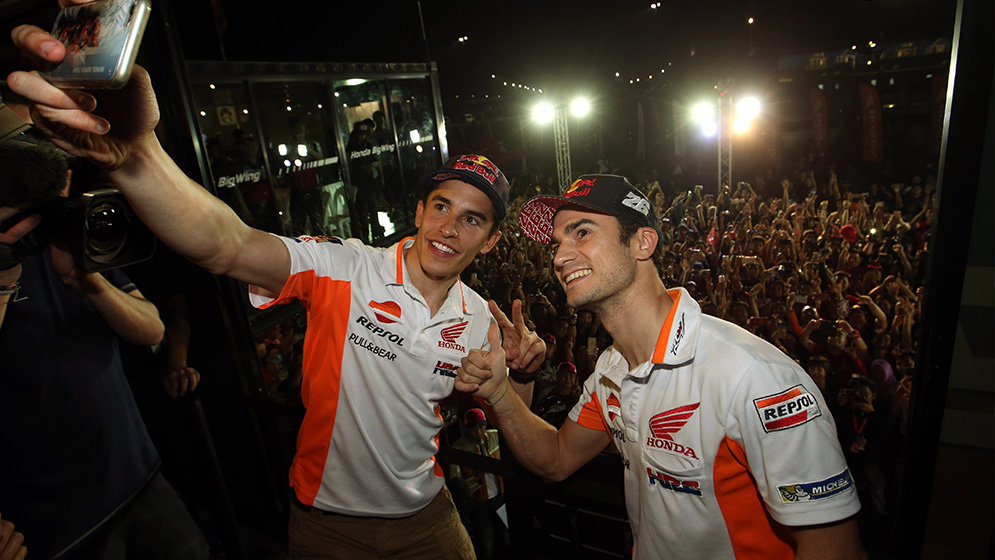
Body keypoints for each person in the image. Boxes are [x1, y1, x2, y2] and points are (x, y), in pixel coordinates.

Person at [7, 23, 545, 558]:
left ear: (491, 241)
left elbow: (510, 423)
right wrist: (136, 157)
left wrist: (518, 376)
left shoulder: (480, 318)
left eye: (472, 219)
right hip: (329, 528)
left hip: (429, 519)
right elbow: (228, 244)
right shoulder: (345, 268)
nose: (449, 228)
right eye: (442, 206)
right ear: (420, 211)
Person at [457, 174, 865, 559]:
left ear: (642, 242)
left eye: (582, 232)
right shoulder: (611, 369)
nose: (560, 257)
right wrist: (501, 391)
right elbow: (556, 459)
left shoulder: (752, 376)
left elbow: (835, 549)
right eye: (557, 243)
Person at [0, 97, 209, 559]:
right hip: (57, 520)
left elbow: (152, 329)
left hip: (137, 475)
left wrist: (86, 281)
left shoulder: (63, 243)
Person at [448, 408, 508, 560]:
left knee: (506, 537)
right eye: (473, 428)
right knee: (487, 544)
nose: (478, 432)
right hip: (479, 504)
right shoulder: (459, 448)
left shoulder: (494, 437)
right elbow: (456, 481)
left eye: (481, 427)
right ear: (466, 429)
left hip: (500, 499)